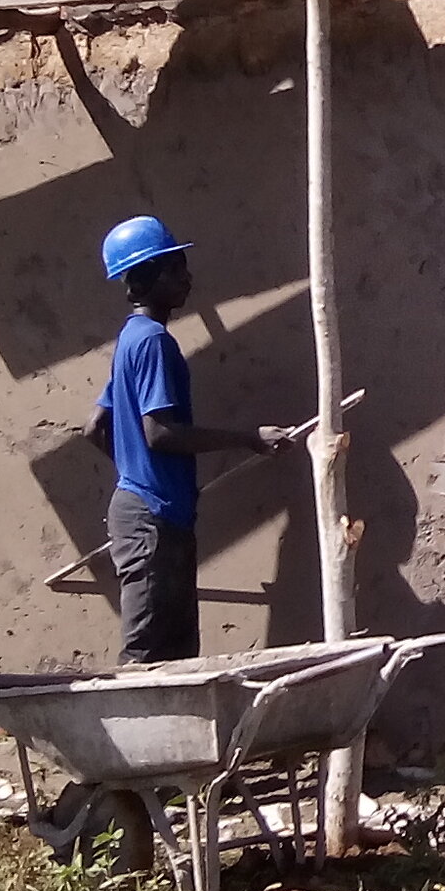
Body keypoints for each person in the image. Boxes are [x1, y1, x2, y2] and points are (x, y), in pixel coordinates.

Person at [89, 216, 294, 663]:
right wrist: (248, 438)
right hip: (152, 520)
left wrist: (136, 473)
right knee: (146, 656)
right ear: (149, 277)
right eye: (176, 269)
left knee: (175, 655)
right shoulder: (154, 343)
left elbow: (95, 427)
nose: (187, 278)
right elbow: (160, 434)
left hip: (154, 513)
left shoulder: (131, 340)